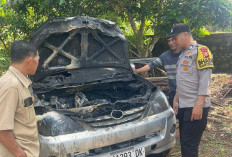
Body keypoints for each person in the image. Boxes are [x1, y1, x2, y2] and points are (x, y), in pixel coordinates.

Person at [171, 23, 214, 157]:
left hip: (195, 107)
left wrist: (198, 105)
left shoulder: (201, 51)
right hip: (184, 105)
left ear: (185, 35)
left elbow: (205, 79)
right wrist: (176, 99)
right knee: (184, 142)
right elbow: (182, 80)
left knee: (189, 146)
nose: (173, 41)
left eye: (175, 38)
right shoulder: (183, 54)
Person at [0, 41, 40, 157]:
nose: (38, 64)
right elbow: (2, 129)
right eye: (37, 60)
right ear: (29, 61)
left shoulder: (20, 82)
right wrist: (20, 154)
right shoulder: (11, 86)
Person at [132, 37, 182, 107]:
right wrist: (136, 71)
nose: (170, 43)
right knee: (174, 115)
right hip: (173, 92)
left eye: (173, 40)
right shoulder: (165, 56)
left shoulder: (187, 54)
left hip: (187, 92)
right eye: (169, 41)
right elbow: (151, 65)